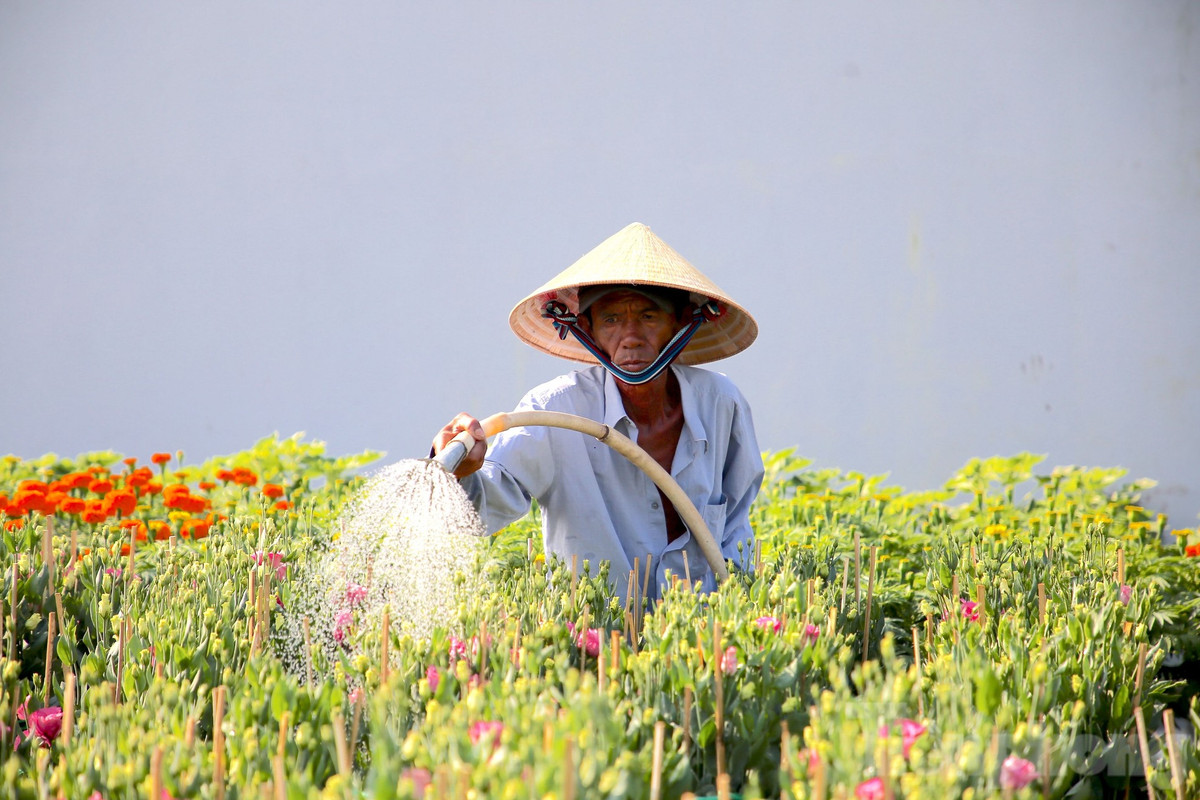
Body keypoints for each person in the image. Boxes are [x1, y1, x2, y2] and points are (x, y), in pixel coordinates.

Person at [433, 222, 763, 601]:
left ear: (681, 321)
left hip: (700, 628)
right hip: (596, 631)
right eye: (611, 320)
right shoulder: (555, 411)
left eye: (648, 317)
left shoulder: (720, 402)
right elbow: (484, 507)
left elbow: (737, 521)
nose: (630, 337)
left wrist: (736, 609)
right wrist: (462, 473)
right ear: (586, 329)